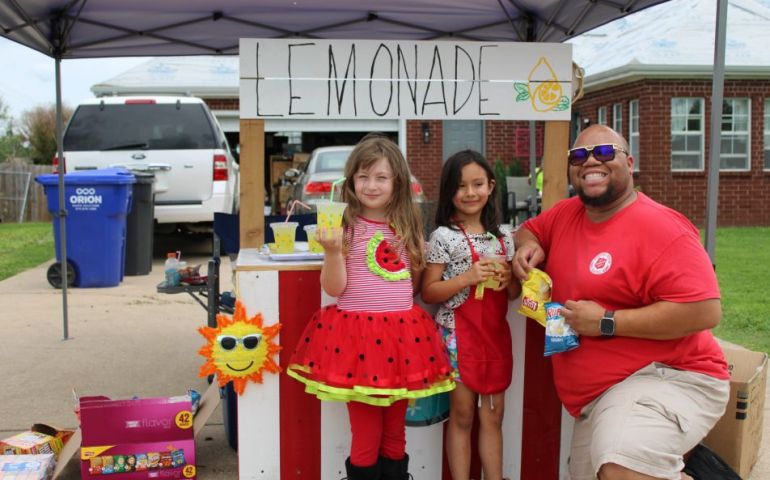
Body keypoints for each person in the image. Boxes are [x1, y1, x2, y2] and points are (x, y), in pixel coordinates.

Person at [512, 124, 730, 480]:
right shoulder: (567, 214)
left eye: (604, 152)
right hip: (596, 401)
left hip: (665, 377)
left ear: (629, 163)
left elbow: (705, 310)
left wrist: (606, 321)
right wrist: (527, 246)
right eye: (579, 155)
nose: (590, 161)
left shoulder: (661, 227)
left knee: (622, 466)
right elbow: (531, 229)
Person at [287, 134, 454, 480]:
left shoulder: (408, 227)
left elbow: (415, 286)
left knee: (395, 435)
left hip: (403, 342)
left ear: (397, 183)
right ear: (350, 182)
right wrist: (332, 251)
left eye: (381, 177)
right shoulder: (342, 227)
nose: (371, 185)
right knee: (366, 435)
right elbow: (335, 289)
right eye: (363, 177)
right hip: (357, 342)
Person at [421, 150, 521, 480]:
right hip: (457, 336)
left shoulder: (505, 236)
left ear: (491, 186)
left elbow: (513, 295)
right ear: (449, 191)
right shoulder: (443, 236)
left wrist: (509, 281)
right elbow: (429, 291)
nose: (470, 193)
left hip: (494, 337)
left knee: (494, 417)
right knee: (462, 416)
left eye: (478, 184)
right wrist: (466, 277)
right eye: (460, 186)